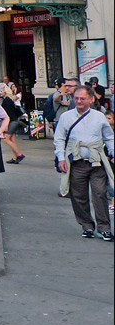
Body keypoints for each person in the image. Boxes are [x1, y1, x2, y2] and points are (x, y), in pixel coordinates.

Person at [54, 85, 114, 241]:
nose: (79, 101)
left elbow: (109, 137)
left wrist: (113, 152)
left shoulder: (99, 116)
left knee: (99, 193)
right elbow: (59, 138)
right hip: (77, 161)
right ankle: (86, 226)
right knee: (78, 195)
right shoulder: (66, 117)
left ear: (91, 99)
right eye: (76, 98)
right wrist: (61, 158)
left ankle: (105, 228)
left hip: (96, 161)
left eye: (82, 98)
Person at [1, 88, 26, 164]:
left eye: (1, 91)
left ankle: (19, 154)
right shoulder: (9, 100)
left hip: (12, 121)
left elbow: (7, 114)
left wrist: (5, 125)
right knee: (12, 140)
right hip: (14, 120)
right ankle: (15, 157)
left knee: (6, 139)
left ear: (5, 92)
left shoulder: (7, 101)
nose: (0, 92)